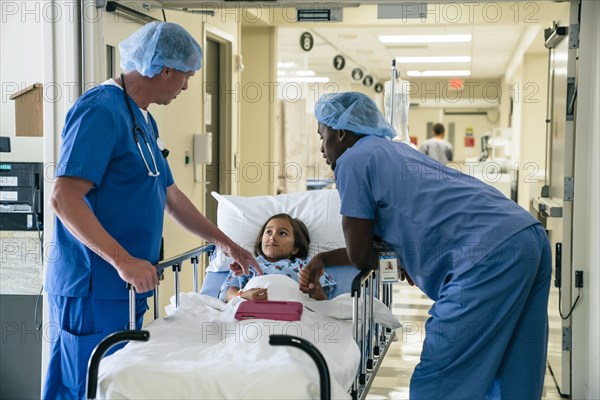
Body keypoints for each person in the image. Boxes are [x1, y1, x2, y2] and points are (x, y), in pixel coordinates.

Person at [43, 22, 260, 400]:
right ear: (164, 70)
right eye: (186, 77)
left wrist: (226, 244)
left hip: (127, 286)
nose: (186, 87)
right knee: (86, 386)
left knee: (117, 385)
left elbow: (170, 196)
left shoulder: (143, 118)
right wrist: (123, 260)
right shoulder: (99, 110)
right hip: (92, 285)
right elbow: (64, 197)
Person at [302, 91, 551, 399]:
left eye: (322, 136)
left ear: (340, 132)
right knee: (516, 366)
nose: (322, 149)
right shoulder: (393, 151)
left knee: (441, 376)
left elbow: (361, 254)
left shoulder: (352, 161)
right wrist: (330, 257)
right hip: (527, 235)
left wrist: (353, 256)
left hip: (486, 253)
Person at [219, 213, 337, 302]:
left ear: (295, 248)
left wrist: (315, 286)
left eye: (282, 233)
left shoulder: (304, 267)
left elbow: (323, 304)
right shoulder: (247, 264)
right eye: (269, 232)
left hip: (294, 313)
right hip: (253, 313)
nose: (272, 237)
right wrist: (244, 295)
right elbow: (226, 293)